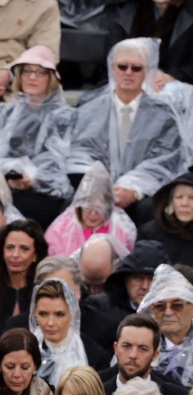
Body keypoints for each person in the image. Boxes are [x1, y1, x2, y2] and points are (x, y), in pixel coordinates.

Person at [67, 39, 185, 227]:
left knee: (149, 209)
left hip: (143, 192)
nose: (128, 73)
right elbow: (80, 152)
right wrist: (99, 186)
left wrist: (134, 189)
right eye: (122, 66)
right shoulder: (89, 108)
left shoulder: (164, 115)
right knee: (75, 202)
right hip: (94, 188)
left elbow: (164, 160)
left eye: (136, 68)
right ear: (112, 68)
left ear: (147, 71)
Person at [0, 45, 73, 228]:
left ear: (50, 78)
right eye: (27, 71)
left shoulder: (63, 117)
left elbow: (61, 164)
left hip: (44, 193)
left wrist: (35, 179)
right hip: (6, 186)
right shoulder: (8, 111)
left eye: (40, 72)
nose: (32, 77)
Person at [0, 219, 48, 332]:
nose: (15, 255)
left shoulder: (44, 293)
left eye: (24, 249)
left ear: (35, 255)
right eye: (10, 247)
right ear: (2, 252)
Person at [46, 164, 137, 259]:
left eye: (99, 209)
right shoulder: (60, 229)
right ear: (79, 206)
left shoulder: (122, 229)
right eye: (88, 208)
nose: (93, 214)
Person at [30, 278, 110, 386]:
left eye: (59, 314)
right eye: (43, 314)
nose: (50, 323)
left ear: (72, 314)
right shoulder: (25, 348)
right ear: (34, 313)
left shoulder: (94, 354)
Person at [140, 266, 193, 388]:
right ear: (152, 308)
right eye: (160, 305)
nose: (168, 312)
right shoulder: (138, 343)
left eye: (177, 305)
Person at [139, 171, 193, 267]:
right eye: (179, 197)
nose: (184, 203)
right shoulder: (150, 233)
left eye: (191, 198)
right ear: (171, 202)